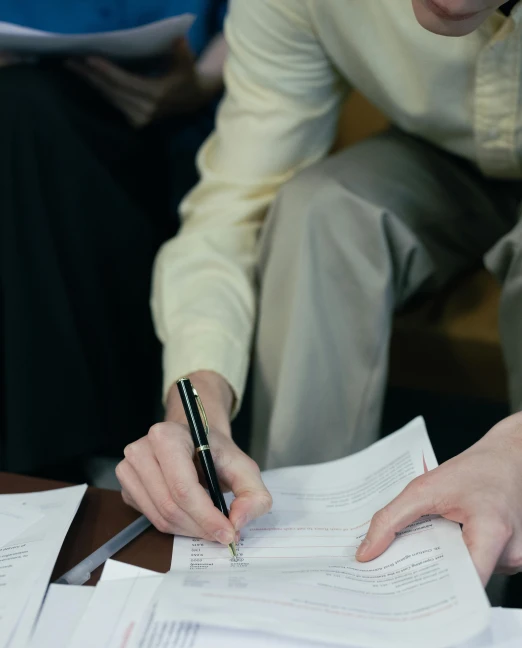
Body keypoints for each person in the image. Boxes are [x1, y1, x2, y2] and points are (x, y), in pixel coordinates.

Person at [117, 0, 522, 586]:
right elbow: (236, 206)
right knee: (320, 211)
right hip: (440, 158)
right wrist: (195, 402)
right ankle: (297, 558)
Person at [0, 0, 227, 481]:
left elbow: (279, 20)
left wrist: (204, 80)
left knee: (22, 111)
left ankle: (49, 470)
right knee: (20, 107)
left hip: (170, 122)